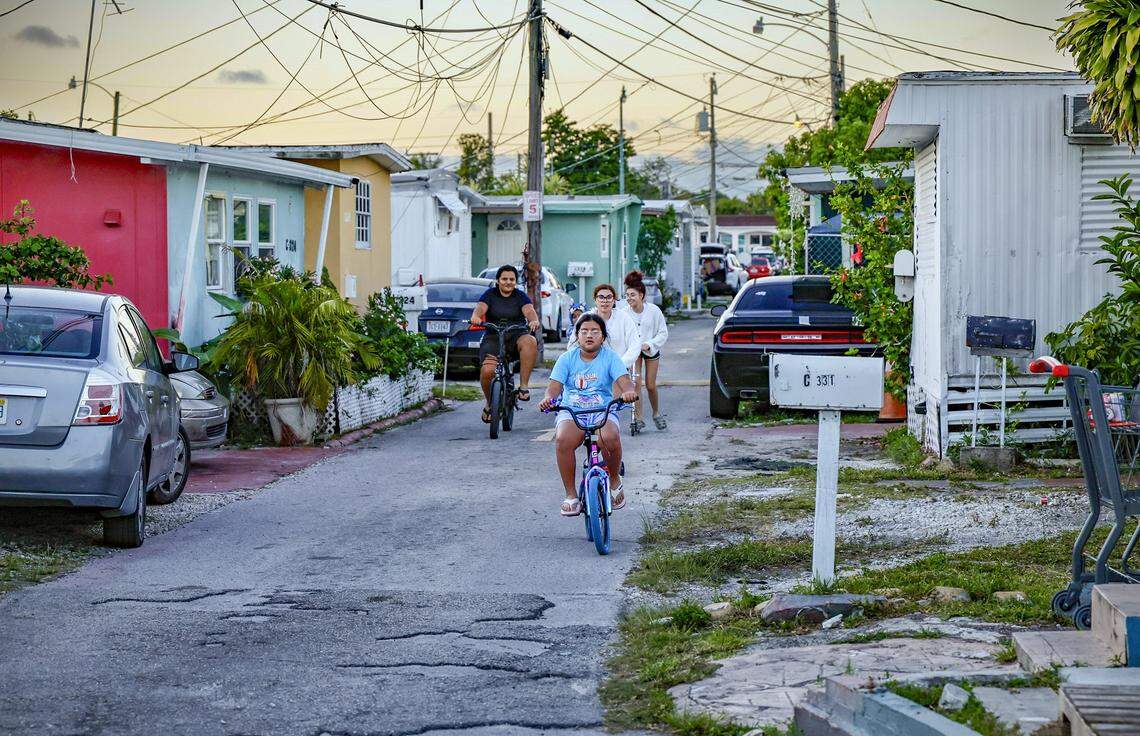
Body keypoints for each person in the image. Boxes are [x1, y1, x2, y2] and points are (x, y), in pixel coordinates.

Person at [540, 314, 637, 516]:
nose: (589, 335)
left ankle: (614, 481)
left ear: (603, 336)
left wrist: (628, 392)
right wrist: (548, 399)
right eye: (584, 331)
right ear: (577, 335)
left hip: (603, 410)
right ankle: (571, 496)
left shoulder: (611, 357)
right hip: (572, 412)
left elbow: (625, 382)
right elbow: (553, 390)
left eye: (595, 331)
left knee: (610, 437)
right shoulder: (566, 358)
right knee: (562, 440)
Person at [470, 264, 541, 423]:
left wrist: (533, 320)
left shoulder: (520, 296)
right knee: (488, 371)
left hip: (516, 335)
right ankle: (490, 403)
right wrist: (476, 317)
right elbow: (480, 308)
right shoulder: (490, 294)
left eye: (511, 279)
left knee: (530, 341)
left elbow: (529, 311)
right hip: (493, 337)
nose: (508, 282)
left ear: (516, 281)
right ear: (498, 280)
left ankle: (523, 387)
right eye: (504, 279)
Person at [622, 270, 669, 431]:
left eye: (632, 295)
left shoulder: (654, 311)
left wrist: (650, 343)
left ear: (641, 295)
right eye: (627, 295)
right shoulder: (624, 313)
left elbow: (663, 333)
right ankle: (639, 418)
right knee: (635, 384)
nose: (629, 298)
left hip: (651, 350)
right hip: (634, 351)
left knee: (650, 384)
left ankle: (656, 413)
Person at [567, 283, 641, 371]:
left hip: (617, 370)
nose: (605, 301)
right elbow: (573, 345)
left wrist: (620, 364)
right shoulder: (585, 318)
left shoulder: (624, 318)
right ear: (595, 300)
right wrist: (583, 364)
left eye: (609, 297)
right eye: (601, 297)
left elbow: (635, 344)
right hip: (590, 370)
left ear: (614, 300)